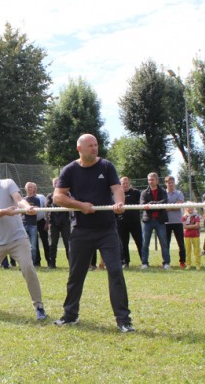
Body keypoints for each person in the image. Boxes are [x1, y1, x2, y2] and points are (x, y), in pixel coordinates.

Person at [52, 134, 133, 333]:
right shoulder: (70, 170)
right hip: (81, 229)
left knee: (115, 272)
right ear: (79, 148)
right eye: (90, 145)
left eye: (96, 145)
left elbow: (116, 188)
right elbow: (57, 197)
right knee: (76, 274)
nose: (94, 148)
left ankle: (123, 320)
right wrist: (80, 206)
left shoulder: (106, 166)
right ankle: (70, 316)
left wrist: (119, 202)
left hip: (107, 229)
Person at [0, 159, 47, 320]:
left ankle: (39, 306)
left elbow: (19, 199)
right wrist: (5, 211)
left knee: (28, 268)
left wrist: (27, 207)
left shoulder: (7, 183)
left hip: (17, 238)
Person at [140, 173, 170, 270]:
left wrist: (152, 204)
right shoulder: (144, 192)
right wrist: (157, 206)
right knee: (145, 243)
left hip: (160, 221)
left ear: (157, 180)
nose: (150, 181)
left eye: (152, 179)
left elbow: (164, 202)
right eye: (149, 180)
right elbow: (143, 205)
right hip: (147, 221)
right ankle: (144, 263)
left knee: (164, 243)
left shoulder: (163, 191)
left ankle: (166, 263)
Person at [116, 177, 143, 269]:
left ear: (129, 183)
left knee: (139, 242)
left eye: (126, 183)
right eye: (123, 183)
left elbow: (141, 204)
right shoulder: (117, 194)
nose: (125, 184)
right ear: (120, 184)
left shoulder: (136, 192)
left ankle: (144, 261)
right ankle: (125, 262)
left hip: (135, 222)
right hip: (122, 222)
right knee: (123, 243)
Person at [164, 175, 187, 269]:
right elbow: (162, 207)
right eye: (168, 183)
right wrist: (172, 207)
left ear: (174, 183)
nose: (170, 184)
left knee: (181, 243)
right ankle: (166, 262)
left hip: (177, 222)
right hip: (166, 223)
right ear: (166, 183)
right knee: (166, 244)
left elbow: (179, 206)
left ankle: (182, 262)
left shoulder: (179, 193)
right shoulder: (163, 193)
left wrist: (168, 207)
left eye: (172, 182)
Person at [22, 182, 42, 264]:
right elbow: (21, 212)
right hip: (23, 224)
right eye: (28, 187)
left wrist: (26, 211)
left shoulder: (36, 199)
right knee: (23, 246)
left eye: (31, 187)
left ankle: (32, 264)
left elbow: (35, 212)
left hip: (33, 225)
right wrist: (29, 210)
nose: (30, 188)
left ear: (34, 189)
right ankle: (24, 263)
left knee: (33, 247)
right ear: (25, 188)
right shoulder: (23, 200)